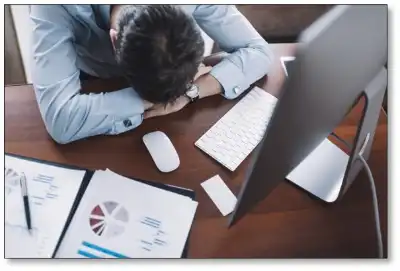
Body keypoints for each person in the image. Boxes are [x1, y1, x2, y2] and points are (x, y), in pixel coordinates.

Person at [30, 5, 273, 144]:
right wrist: (162, 96)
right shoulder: (54, 5)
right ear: (114, 41)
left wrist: (191, 92)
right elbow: (60, 119)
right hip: (91, 76)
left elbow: (260, 52)